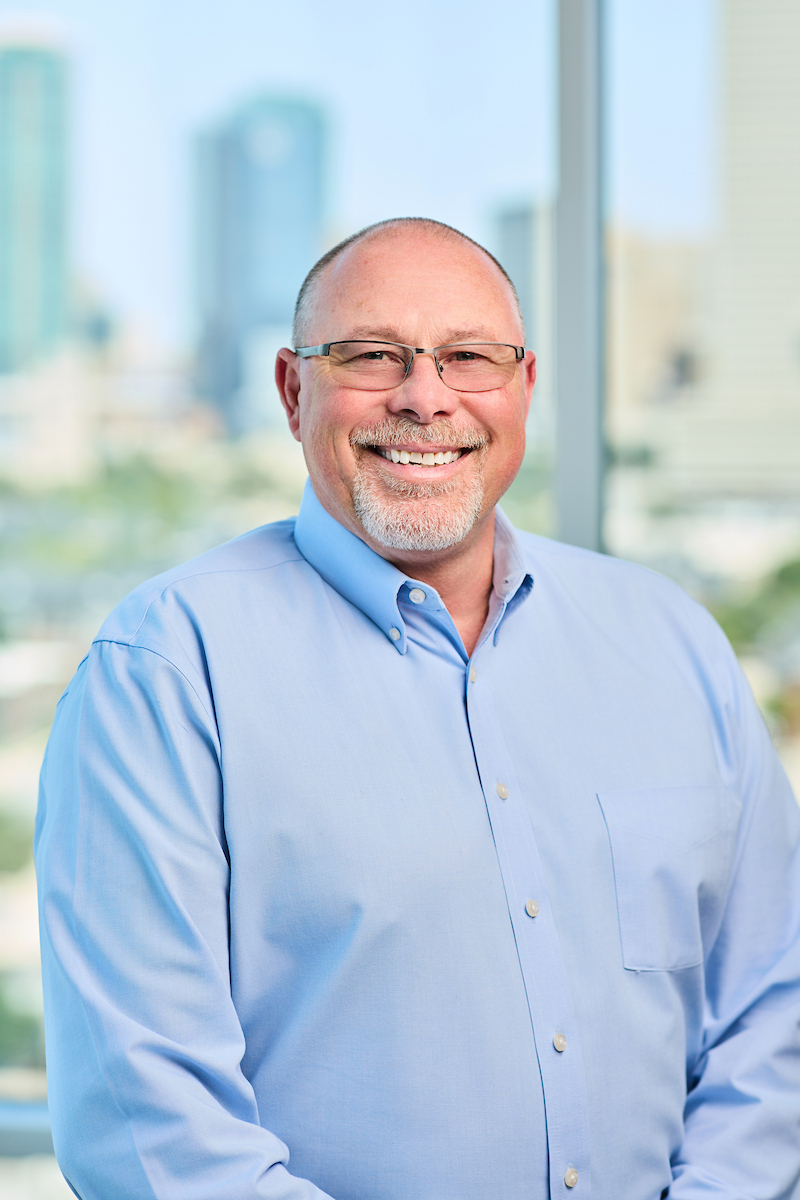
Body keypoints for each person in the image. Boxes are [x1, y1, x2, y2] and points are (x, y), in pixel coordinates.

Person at [36, 217, 800, 1200]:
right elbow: (146, 1120)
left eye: (468, 357)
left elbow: (775, 1005)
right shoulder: (166, 672)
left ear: (524, 388)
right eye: (370, 355)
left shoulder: (674, 643)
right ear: (292, 390)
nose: (424, 397)